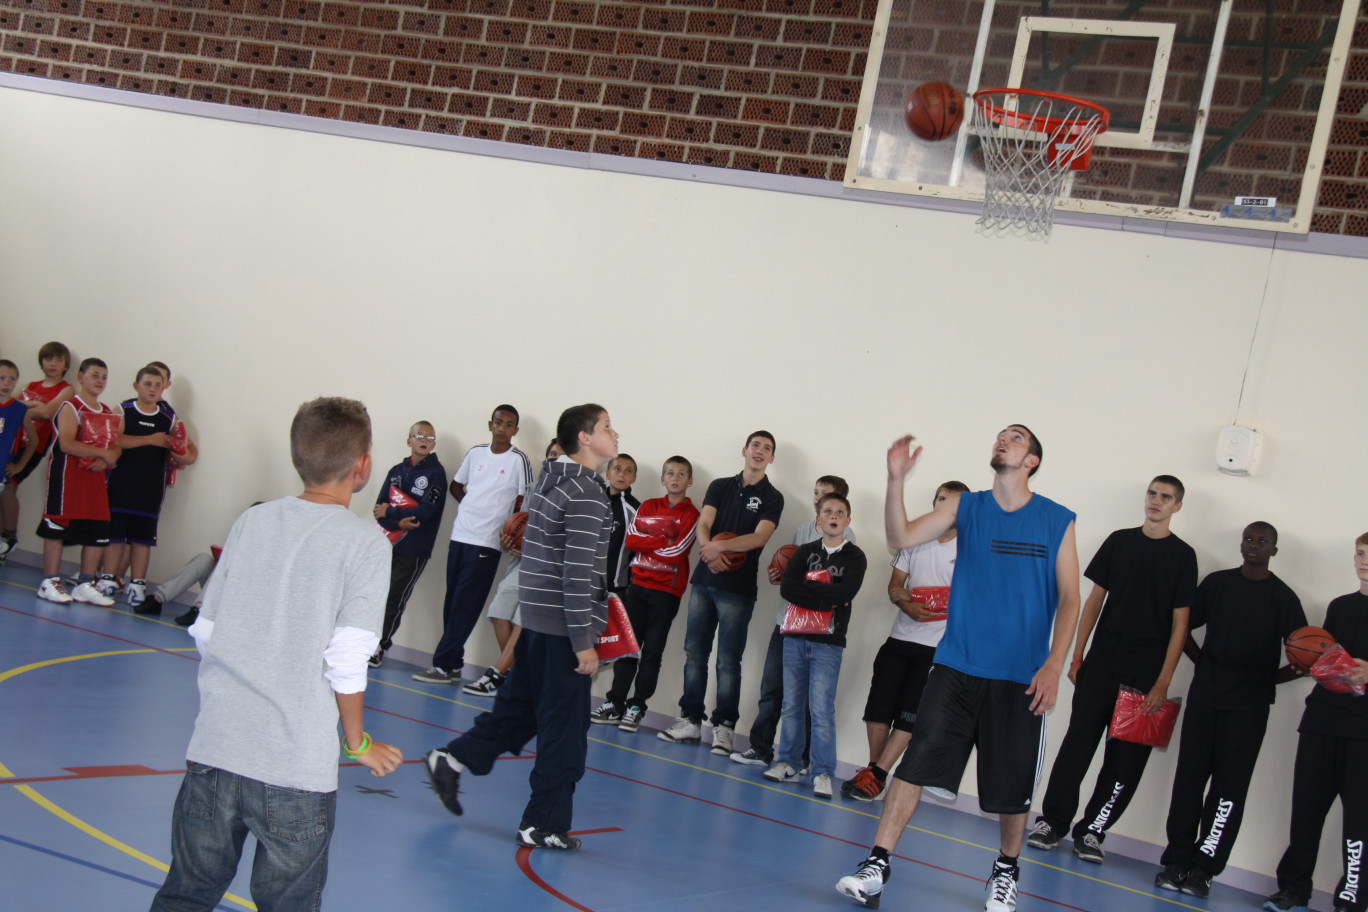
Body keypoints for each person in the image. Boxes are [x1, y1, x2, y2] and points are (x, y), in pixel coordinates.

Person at [148, 397, 401, 912]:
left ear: (297, 459)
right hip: (294, 769)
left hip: (216, 748)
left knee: (188, 892)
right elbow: (347, 660)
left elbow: (207, 630)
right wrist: (357, 743)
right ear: (363, 466)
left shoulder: (253, 521)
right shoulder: (368, 545)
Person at [836, 426, 1079, 912]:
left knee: (1012, 788)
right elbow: (900, 536)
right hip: (957, 664)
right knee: (916, 763)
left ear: (1031, 460)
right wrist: (894, 480)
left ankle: (1005, 873)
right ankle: (876, 865)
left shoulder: (1057, 520)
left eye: (1015, 438)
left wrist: (1054, 664)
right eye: (1000, 436)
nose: (1002, 441)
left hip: (1021, 675)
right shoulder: (967, 508)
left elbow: (1071, 597)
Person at [422, 403, 619, 850]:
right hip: (563, 632)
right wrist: (584, 640)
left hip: (537, 622)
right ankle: (543, 823)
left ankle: (452, 760)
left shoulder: (553, 479)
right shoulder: (587, 493)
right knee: (565, 732)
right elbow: (578, 572)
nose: (616, 433)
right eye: (607, 426)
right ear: (584, 438)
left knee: (519, 712)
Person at [1028, 476, 1197, 862]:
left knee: (1125, 763)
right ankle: (1052, 822)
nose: (1156, 501)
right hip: (1101, 666)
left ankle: (1093, 831)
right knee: (1077, 747)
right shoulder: (1119, 541)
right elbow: (1092, 602)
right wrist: (1076, 655)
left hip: (1144, 680)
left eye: (1165, 497)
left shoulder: (1183, 556)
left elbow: (1180, 626)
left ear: (1177, 507)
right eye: (1152, 494)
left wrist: (1163, 682)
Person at [1154, 522, 1307, 899]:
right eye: (1249, 538)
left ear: (1274, 550)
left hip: (1249, 709)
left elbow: (1305, 659)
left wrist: (1268, 680)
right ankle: (1176, 861)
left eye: (1263, 541)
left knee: (1228, 791)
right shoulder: (1217, 584)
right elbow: (1182, 626)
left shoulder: (1284, 598)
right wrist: (1201, 662)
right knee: (1188, 783)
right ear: (1242, 544)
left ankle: (1204, 869)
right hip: (1206, 698)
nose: (1254, 545)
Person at [658, 431, 784, 756]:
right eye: (755, 445)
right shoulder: (719, 485)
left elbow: (758, 538)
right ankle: (690, 720)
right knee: (694, 653)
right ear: (744, 450)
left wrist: (719, 547)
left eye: (767, 449)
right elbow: (705, 523)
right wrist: (708, 551)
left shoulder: (773, 497)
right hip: (704, 581)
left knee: (729, 661)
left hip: (738, 590)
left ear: (772, 458)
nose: (759, 451)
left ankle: (724, 727)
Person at [841, 480, 967, 802]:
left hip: (937, 648)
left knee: (910, 715)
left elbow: (975, 601)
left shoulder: (970, 550)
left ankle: (880, 775)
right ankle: (873, 771)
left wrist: (950, 606)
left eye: (951, 503)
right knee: (878, 710)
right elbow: (895, 586)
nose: (943, 506)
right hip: (900, 637)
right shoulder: (915, 540)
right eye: (939, 499)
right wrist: (905, 602)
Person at [1264, 533, 1368, 912]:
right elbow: (1326, 662)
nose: (1363, 561)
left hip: (1362, 734)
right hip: (1321, 723)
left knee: (1359, 823)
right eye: (1359, 554)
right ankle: (1293, 889)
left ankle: (1352, 897)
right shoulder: (1339, 607)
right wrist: (1307, 663)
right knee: (1306, 813)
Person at [731, 475, 855, 768]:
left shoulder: (848, 540)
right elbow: (793, 579)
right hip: (787, 621)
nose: (818, 497)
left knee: (813, 701)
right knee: (771, 690)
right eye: (815, 492)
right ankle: (760, 749)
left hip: (821, 630)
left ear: (841, 507)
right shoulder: (801, 531)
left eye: (826, 494)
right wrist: (781, 575)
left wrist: (800, 584)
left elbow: (836, 590)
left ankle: (804, 759)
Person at [414, 405, 532, 685]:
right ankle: (453, 662)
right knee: (452, 600)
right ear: (490, 424)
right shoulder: (476, 453)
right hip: (460, 536)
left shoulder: (519, 460)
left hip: (488, 543)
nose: (502, 428)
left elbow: (525, 504)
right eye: (498, 422)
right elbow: (457, 486)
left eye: (509, 424)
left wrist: (509, 532)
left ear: (516, 430)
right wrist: (471, 507)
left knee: (465, 605)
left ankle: (443, 665)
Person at [765, 492, 866, 799]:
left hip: (828, 644)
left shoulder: (855, 556)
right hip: (794, 637)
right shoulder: (804, 550)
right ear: (819, 519)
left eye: (840, 512)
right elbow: (788, 588)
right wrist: (826, 593)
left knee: (821, 710)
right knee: (791, 705)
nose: (833, 516)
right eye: (827, 511)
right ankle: (788, 763)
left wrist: (813, 589)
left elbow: (846, 592)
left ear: (847, 521)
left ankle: (822, 772)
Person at [591, 455, 699, 730]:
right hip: (638, 586)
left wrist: (648, 542)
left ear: (690, 481)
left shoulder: (692, 514)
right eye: (670, 473)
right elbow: (631, 540)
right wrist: (663, 539)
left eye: (681, 474)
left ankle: (637, 705)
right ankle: (615, 702)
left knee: (652, 652)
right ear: (662, 479)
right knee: (628, 649)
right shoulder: (649, 505)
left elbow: (677, 554)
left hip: (666, 592)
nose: (675, 478)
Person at [464, 438, 563, 697]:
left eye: (560, 456)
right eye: (551, 454)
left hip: (547, 567)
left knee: (523, 620)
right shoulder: (533, 487)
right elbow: (517, 524)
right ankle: (522, 677)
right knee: (498, 612)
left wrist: (534, 548)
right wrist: (509, 541)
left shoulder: (572, 494)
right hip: (521, 561)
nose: (554, 459)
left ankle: (497, 675)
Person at [35, 358, 122, 607]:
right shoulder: (69, 406)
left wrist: (107, 460)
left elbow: (114, 448)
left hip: (94, 480)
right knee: (58, 525)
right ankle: (49, 581)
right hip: (67, 477)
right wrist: (101, 454)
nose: (100, 381)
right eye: (95, 375)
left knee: (97, 528)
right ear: (81, 378)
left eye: (104, 377)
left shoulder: (107, 412)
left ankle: (85, 584)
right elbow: (67, 443)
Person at [369, 420, 447, 667]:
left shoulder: (436, 474)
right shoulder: (396, 471)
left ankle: (380, 646)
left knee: (395, 596)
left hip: (413, 549)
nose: (424, 440)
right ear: (409, 440)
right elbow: (379, 508)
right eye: (419, 435)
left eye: (430, 437)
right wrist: (397, 521)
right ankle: (365, 641)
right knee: (375, 594)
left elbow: (425, 513)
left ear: (434, 444)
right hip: (386, 543)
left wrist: (394, 516)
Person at [100, 367, 176, 609]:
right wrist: (151, 439)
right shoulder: (123, 410)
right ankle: (108, 580)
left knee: (143, 540)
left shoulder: (169, 418)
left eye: (157, 385)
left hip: (151, 489)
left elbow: (187, 452)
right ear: (136, 386)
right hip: (121, 485)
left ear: (164, 387)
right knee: (115, 537)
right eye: (148, 384)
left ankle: (137, 585)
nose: (152, 389)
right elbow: (112, 440)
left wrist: (181, 454)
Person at [1, 341, 73, 562]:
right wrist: (22, 408)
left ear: (65, 365)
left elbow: (46, 412)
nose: (53, 363)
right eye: (49, 359)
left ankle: (10, 535)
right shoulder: (31, 384)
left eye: (59, 360)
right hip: (11, 444)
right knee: (3, 488)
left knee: (9, 485)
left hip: (36, 445)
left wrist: (23, 408)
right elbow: (13, 407)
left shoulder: (65, 388)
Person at [0, 361, 38, 553]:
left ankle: (8, 537)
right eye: (2, 378)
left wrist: (20, 465)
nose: (6, 383)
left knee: (5, 497)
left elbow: (34, 440)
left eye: (12, 379)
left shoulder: (19, 409)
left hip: (2, 467)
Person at [604, 453, 640, 598]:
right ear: (607, 473)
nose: (622, 474)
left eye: (628, 471)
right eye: (617, 469)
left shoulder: (637, 510)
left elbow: (638, 550)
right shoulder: (594, 502)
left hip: (616, 585)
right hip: (586, 580)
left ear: (634, 478)